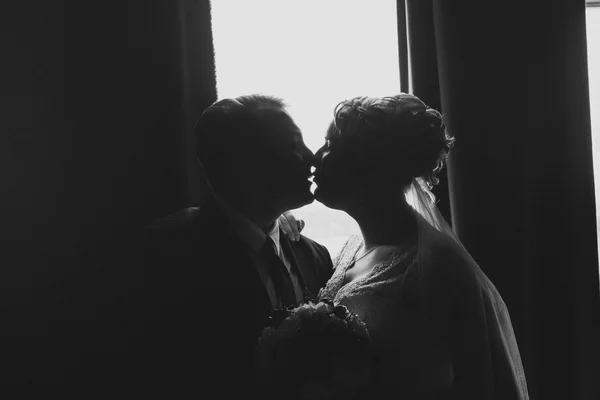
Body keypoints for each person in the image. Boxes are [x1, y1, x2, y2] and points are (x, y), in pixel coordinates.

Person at [282, 94, 529, 399]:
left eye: (330, 145)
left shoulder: (438, 263)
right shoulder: (350, 248)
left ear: (367, 165)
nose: (316, 156)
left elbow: (477, 381)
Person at [119, 95, 334, 395]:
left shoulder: (315, 256)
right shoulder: (165, 253)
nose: (312, 157)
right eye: (294, 145)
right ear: (244, 164)